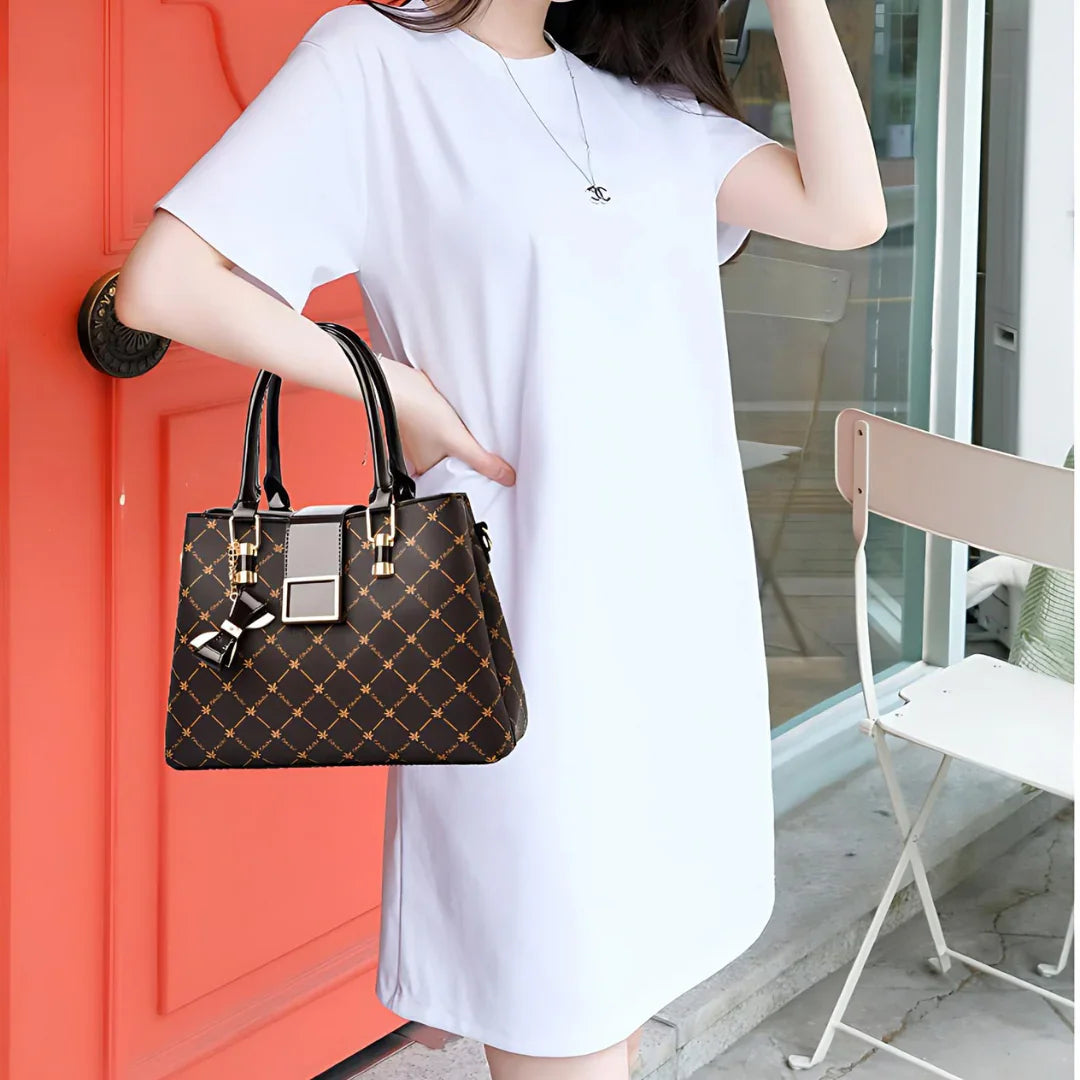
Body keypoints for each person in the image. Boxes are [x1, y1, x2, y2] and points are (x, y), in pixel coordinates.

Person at [115, 1, 886, 1076]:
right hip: (517, 640)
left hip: (670, 640)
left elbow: (847, 209)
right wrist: (395, 391)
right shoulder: (376, 64)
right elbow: (165, 282)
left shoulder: (648, 109)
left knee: (609, 1005)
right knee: (558, 1015)